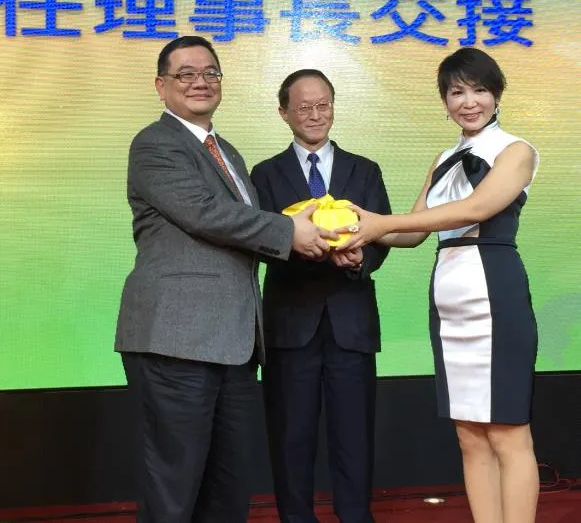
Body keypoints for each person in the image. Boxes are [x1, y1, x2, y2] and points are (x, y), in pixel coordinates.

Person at [115, 36, 338, 523]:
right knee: (175, 489)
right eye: (185, 74)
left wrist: (331, 241)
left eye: (210, 73)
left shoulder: (227, 152)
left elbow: (243, 231)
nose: (200, 82)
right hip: (177, 340)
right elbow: (205, 214)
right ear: (161, 86)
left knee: (229, 490)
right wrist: (290, 232)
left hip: (234, 344)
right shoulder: (155, 143)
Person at [337, 47, 540, 523]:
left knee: (508, 431)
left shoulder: (516, 150)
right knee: (469, 435)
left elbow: (475, 209)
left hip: (495, 292)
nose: (469, 102)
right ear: (444, 101)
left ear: (496, 94)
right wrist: (355, 230)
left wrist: (381, 221)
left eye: (479, 90)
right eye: (456, 92)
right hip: (449, 300)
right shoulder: (445, 157)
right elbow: (413, 233)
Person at [250, 69, 391, 523]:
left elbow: (383, 235)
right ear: (283, 113)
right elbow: (257, 240)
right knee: (291, 437)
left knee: (355, 436)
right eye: (304, 107)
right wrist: (299, 247)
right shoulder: (264, 174)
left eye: (323, 105)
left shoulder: (365, 169)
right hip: (291, 325)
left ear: (333, 106)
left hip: (352, 322)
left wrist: (361, 259)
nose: (315, 115)